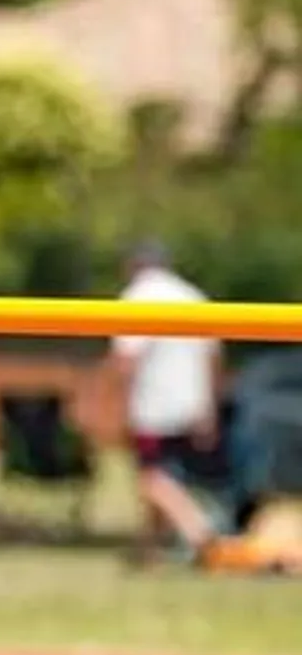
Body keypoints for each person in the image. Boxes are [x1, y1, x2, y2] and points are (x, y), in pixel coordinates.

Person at [109, 240, 225, 565]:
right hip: (192, 401)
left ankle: (199, 531)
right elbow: (213, 357)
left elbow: (126, 358)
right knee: (164, 477)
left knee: (151, 479)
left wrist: (114, 404)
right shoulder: (193, 296)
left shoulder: (138, 297)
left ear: (133, 266)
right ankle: (149, 552)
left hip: (154, 404)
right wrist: (209, 408)